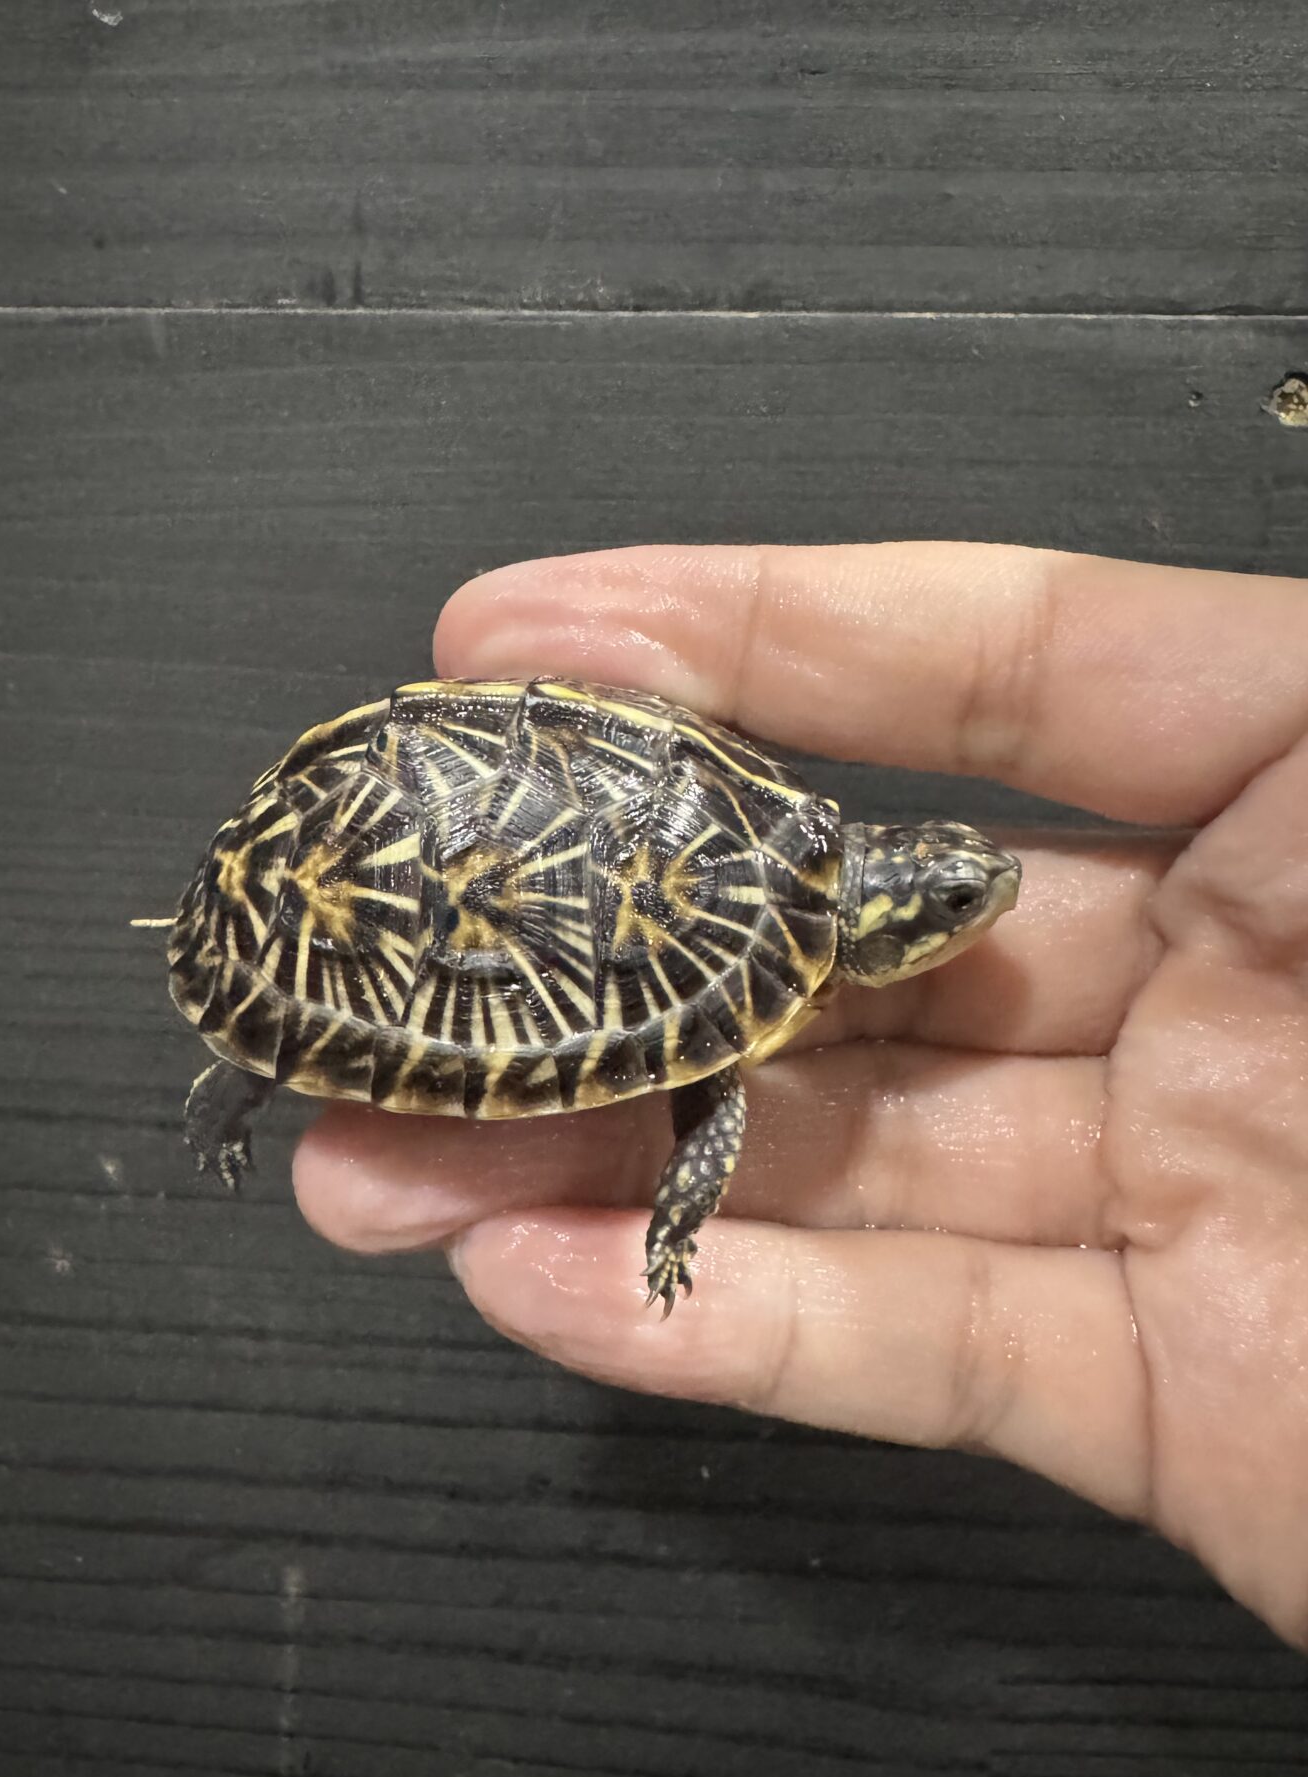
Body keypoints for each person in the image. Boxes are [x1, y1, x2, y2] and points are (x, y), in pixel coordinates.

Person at [292, 543, 1308, 1652]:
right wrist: (677, 1222)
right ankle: (262, 1050)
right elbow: (704, 1097)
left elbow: (701, 1076)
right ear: (888, 933)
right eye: (956, 900)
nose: (990, 892)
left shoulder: (756, 802)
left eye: (963, 889)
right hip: (356, 921)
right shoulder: (756, 933)